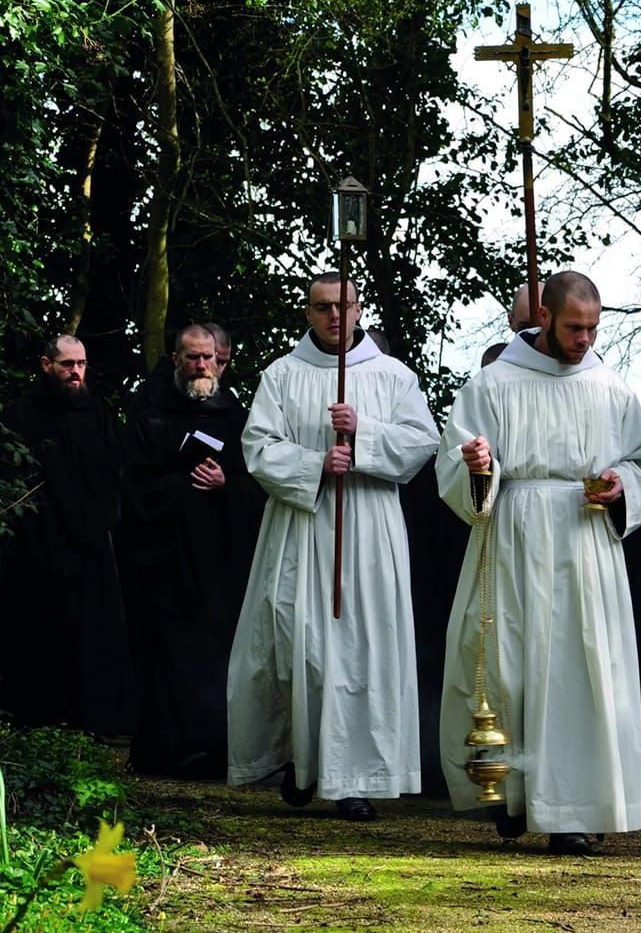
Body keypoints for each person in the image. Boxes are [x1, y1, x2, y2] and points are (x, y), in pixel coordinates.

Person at [437, 271, 641, 856]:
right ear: (546, 315)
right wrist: (479, 465)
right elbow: (455, 471)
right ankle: (512, 796)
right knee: (511, 665)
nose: (584, 339)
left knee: (582, 673)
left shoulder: (610, 388)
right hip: (513, 534)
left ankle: (574, 811)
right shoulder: (493, 384)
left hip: (585, 546)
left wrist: (620, 487)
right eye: (573, 327)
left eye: (592, 328)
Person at [227, 273, 439, 822]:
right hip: (302, 524)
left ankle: (357, 777)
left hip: (368, 529)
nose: (333, 317)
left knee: (362, 647)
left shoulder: (393, 376)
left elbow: (422, 443)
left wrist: (362, 432)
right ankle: (303, 762)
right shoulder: (281, 375)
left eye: (342, 306)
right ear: (307, 313)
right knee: (301, 643)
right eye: (322, 308)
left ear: (358, 307)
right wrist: (314, 463)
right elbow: (257, 445)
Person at [123, 324, 263, 778]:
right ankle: (164, 753)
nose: (201, 365)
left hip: (220, 566)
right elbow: (132, 489)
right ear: (176, 360)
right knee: (165, 659)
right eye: (191, 357)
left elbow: (259, 487)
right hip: (164, 563)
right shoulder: (148, 418)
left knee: (219, 656)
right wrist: (182, 483)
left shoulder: (239, 420)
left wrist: (227, 485)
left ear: (220, 361)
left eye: (208, 357)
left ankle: (219, 752)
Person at [0, 335, 135, 734]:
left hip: (90, 545)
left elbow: (116, 473)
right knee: (39, 634)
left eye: (81, 364)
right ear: (46, 365)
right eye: (67, 365)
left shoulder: (97, 414)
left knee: (91, 636)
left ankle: (90, 721)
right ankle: (36, 722)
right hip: (38, 549)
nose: (76, 372)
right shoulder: (19, 416)